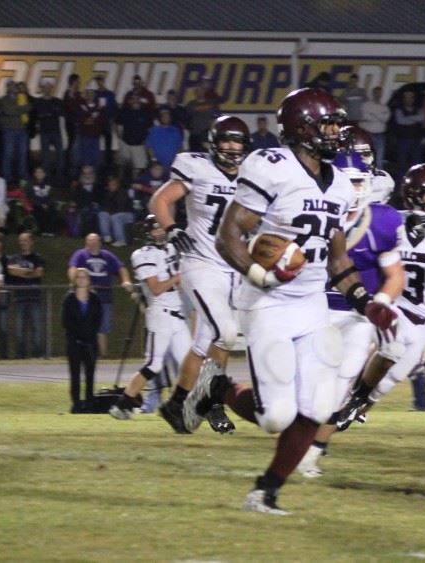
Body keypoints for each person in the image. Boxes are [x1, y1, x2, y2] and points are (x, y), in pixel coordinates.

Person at [189, 88, 396, 514]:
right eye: (329, 124)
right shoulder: (272, 167)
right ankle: (217, 387)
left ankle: (266, 490)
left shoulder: (339, 182)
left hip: (312, 305)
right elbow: (228, 235)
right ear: (302, 128)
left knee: (318, 407)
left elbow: (338, 257)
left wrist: (365, 302)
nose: (337, 131)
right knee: (274, 418)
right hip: (268, 304)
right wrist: (261, 273)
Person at [329, 163, 425, 432]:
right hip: (392, 305)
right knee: (359, 359)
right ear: (414, 195)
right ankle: (326, 424)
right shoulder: (395, 222)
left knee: (384, 383)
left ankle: (351, 409)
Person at [296, 150, 406, 479]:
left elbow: (396, 275)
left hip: (358, 316)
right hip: (315, 309)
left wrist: (380, 303)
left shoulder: (383, 220)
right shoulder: (312, 212)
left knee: (340, 388)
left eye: (358, 181)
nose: (353, 189)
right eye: (345, 181)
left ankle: (312, 454)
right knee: (302, 390)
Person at [148, 115, 250, 435]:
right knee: (227, 332)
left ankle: (179, 404)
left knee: (208, 341)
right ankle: (211, 401)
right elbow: (160, 199)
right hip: (200, 264)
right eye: (226, 140)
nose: (232, 147)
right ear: (213, 142)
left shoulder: (252, 175)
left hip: (233, 268)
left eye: (237, 141)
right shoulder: (197, 167)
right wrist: (171, 227)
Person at [109, 216, 190, 419]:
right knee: (153, 364)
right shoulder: (142, 255)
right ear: (148, 234)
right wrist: (179, 277)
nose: (161, 232)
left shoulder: (171, 249)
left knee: (189, 363)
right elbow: (156, 288)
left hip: (178, 314)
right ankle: (122, 404)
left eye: (162, 228)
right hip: (160, 315)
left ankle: (179, 406)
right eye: (157, 229)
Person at [67, 233, 133, 354]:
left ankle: (102, 355)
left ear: (99, 242)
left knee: (102, 328)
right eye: (89, 241)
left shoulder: (107, 256)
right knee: (84, 326)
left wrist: (126, 280)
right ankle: (84, 353)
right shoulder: (80, 254)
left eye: (94, 240)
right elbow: (73, 268)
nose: (92, 243)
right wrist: (74, 282)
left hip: (104, 298)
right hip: (86, 298)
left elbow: (121, 268)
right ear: (86, 243)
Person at [62, 267, 102, 413]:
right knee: (75, 375)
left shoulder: (95, 298)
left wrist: (88, 336)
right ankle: (76, 404)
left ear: (88, 280)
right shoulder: (69, 298)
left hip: (90, 343)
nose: (81, 279)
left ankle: (90, 404)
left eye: (84, 277)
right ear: (75, 280)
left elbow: (98, 320)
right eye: (78, 277)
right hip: (74, 343)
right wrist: (78, 335)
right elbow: (66, 321)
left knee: (90, 375)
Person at [4, 232, 46, 358]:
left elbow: (39, 273)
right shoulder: (14, 258)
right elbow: (11, 270)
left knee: (37, 328)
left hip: (34, 297)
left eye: (25, 240)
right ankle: (20, 355)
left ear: (31, 242)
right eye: (21, 240)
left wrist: (21, 272)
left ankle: (37, 355)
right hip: (19, 298)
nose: (23, 243)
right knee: (19, 330)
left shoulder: (38, 258)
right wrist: (29, 272)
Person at [30, 81, 65, 182]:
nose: (47, 89)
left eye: (49, 87)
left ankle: (60, 178)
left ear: (52, 88)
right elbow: (35, 116)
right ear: (42, 89)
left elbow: (62, 112)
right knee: (45, 158)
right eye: (45, 87)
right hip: (44, 133)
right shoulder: (38, 102)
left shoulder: (57, 101)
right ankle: (47, 179)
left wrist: (50, 113)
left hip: (56, 132)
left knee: (60, 157)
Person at [114, 93, 154, 181]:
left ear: (140, 100)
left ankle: (135, 186)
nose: (135, 101)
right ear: (130, 100)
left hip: (139, 145)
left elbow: (150, 128)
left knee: (137, 169)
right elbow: (117, 124)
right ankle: (119, 184)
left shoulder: (146, 112)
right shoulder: (124, 111)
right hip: (125, 144)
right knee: (122, 166)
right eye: (133, 99)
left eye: (137, 98)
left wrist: (146, 140)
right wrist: (119, 138)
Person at [0, 81, 31, 184]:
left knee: (22, 154)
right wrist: (21, 109)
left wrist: (16, 109)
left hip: (22, 130)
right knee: (8, 154)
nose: (13, 87)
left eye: (14, 86)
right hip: (9, 130)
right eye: (10, 85)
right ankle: (6, 177)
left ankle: (23, 176)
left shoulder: (22, 97)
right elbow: (7, 110)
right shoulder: (3, 99)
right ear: (7, 87)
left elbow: (29, 107)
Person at [96, 176, 135, 246]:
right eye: (110, 185)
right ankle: (106, 236)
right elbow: (105, 206)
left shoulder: (122, 193)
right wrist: (107, 212)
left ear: (118, 185)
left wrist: (110, 212)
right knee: (102, 214)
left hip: (127, 214)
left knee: (115, 217)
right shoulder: (106, 193)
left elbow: (122, 207)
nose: (111, 186)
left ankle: (121, 240)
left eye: (113, 184)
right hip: (113, 212)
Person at [392, 90, 424, 175]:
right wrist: (414, 119)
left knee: (417, 166)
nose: (409, 99)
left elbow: (421, 118)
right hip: (403, 140)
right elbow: (401, 121)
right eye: (407, 97)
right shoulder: (398, 110)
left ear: (413, 99)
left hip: (416, 140)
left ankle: (416, 184)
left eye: (411, 97)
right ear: (404, 99)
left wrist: (407, 118)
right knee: (402, 165)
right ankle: (401, 185)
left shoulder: (419, 109)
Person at [360, 86, 390, 168]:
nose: (377, 95)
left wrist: (373, 114)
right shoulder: (366, 105)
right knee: (367, 158)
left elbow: (385, 119)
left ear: (381, 94)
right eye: (376, 93)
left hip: (380, 135)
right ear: (373, 94)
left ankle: (379, 178)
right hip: (368, 134)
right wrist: (378, 116)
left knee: (379, 159)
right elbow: (365, 117)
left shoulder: (384, 107)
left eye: (379, 93)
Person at [94, 75, 119, 166]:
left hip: (107, 123)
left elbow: (115, 108)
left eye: (101, 81)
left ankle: (109, 164)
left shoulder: (109, 94)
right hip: (97, 124)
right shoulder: (95, 94)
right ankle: (97, 163)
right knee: (96, 144)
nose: (99, 83)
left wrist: (113, 120)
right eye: (98, 81)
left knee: (108, 145)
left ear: (104, 81)